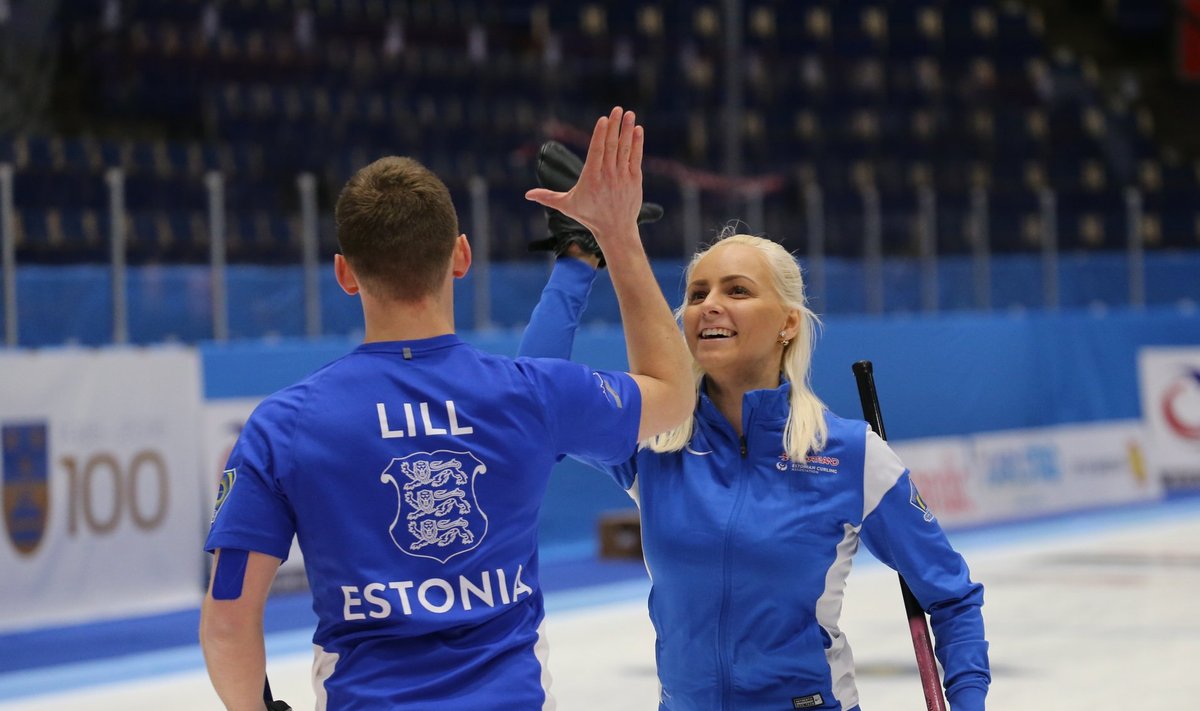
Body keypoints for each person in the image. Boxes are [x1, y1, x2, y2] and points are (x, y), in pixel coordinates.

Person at [199, 106, 694, 710]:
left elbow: (227, 617)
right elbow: (671, 395)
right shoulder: (529, 395)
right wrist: (617, 236)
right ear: (462, 257)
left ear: (345, 275)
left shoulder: (284, 425)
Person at [519, 207, 991, 707]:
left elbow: (951, 595)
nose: (709, 306)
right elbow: (535, 401)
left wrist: (967, 700)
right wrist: (577, 258)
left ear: (788, 322)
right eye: (697, 294)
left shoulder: (851, 455)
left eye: (736, 291)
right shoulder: (654, 441)